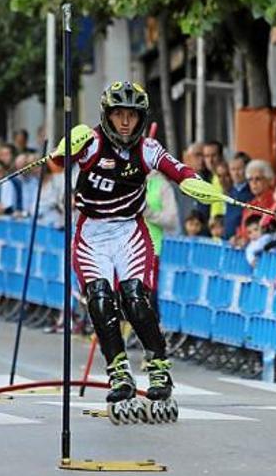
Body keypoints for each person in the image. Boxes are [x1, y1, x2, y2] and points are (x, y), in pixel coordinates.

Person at [51, 80, 200, 408]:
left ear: (141, 118)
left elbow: (177, 170)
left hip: (130, 232)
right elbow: (57, 162)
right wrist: (65, 145)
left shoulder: (147, 149)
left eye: (131, 115)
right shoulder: (90, 142)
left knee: (135, 298)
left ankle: (159, 367)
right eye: (118, 114)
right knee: (100, 300)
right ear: (107, 115)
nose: (124, 122)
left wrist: (198, 184)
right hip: (91, 234)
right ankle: (119, 371)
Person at [233, 159, 276, 246]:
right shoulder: (250, 204)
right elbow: (243, 229)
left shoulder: (275, 201)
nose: (254, 183)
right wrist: (237, 238)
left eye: (258, 179)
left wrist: (247, 240)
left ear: (270, 180)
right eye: (250, 180)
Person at [223, 152, 253, 239]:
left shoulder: (252, 192)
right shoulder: (228, 192)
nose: (236, 173)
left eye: (239, 169)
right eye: (233, 169)